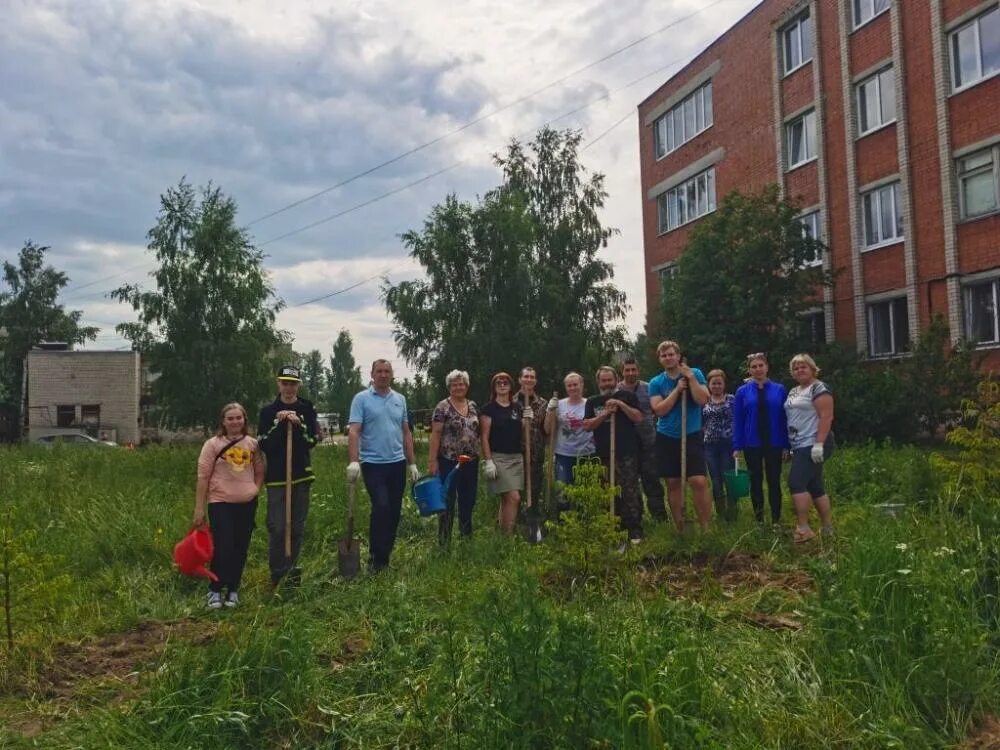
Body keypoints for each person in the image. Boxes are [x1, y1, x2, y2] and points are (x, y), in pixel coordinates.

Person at [347, 360, 419, 571]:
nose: (383, 375)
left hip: (397, 463)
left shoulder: (400, 399)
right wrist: (354, 460)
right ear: (372, 374)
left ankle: (384, 556)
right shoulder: (362, 399)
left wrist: (412, 464)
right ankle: (376, 561)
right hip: (372, 463)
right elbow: (354, 431)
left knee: (394, 511)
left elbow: (406, 432)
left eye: (387, 371)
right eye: (379, 371)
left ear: (392, 375)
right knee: (381, 507)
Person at [193, 402, 264, 609]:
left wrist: (255, 489)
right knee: (223, 547)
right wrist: (199, 508)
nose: (235, 422)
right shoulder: (212, 445)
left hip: (247, 504)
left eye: (238, 418)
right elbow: (202, 477)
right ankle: (215, 589)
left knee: (240, 547)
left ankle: (233, 589)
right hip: (220, 503)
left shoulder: (253, 444)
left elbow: (260, 470)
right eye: (230, 418)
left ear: (244, 420)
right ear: (223, 421)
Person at [257, 366, 320, 589]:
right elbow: (263, 443)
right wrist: (279, 423)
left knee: (296, 527)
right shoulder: (267, 411)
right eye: (285, 383)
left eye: (293, 383)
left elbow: (312, 440)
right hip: (277, 477)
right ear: (278, 384)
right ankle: (277, 573)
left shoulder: (306, 408)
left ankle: (292, 571)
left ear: (298, 385)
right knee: (278, 527)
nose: (289, 387)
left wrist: (298, 424)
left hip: (300, 476)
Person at [648, 341, 712, 531]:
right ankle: (681, 527)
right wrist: (677, 390)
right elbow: (659, 410)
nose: (668, 358)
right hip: (667, 436)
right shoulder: (656, 382)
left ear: (678, 355)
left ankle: (706, 527)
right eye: (664, 356)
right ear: (660, 359)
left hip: (691, 434)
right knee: (673, 482)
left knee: (698, 481)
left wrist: (691, 379)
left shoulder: (695, 373)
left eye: (671, 354)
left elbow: (702, 400)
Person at [583, 365, 644, 544]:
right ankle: (613, 528)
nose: (607, 384)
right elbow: (587, 425)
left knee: (629, 490)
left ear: (616, 380)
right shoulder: (593, 402)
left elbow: (638, 417)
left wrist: (619, 404)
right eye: (603, 381)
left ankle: (634, 529)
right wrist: (605, 414)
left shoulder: (628, 396)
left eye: (610, 380)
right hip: (603, 454)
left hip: (627, 452)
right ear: (598, 382)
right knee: (608, 490)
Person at [732, 353, 790, 526]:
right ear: (749, 370)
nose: (758, 369)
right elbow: (738, 420)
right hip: (752, 442)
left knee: (774, 481)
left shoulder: (779, 389)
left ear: (767, 367)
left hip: (774, 441)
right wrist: (737, 445)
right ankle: (759, 519)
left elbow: (785, 418)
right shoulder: (742, 392)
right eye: (754, 367)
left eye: (760, 366)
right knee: (755, 481)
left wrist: (787, 445)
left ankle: (776, 519)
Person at [784, 353, 835, 543]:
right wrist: (790, 447)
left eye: (803, 367)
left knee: (796, 483)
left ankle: (804, 528)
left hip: (813, 442)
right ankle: (827, 527)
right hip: (799, 444)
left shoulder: (819, 388)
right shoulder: (794, 391)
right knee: (815, 485)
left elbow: (826, 417)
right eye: (796, 368)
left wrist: (819, 444)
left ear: (812, 368)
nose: (799, 370)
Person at [428, 370, 480, 543]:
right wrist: (432, 460)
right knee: (447, 502)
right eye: (455, 384)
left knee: (468, 501)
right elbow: (435, 434)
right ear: (449, 387)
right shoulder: (442, 407)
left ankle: (466, 538)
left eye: (462, 384)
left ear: (467, 386)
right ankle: (444, 542)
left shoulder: (473, 405)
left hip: (471, 462)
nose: (459, 387)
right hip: (449, 462)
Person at [620, 356, 668, 522]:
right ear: (622, 371)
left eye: (634, 369)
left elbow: (658, 410)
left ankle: (660, 517)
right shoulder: (617, 390)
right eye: (627, 370)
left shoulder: (649, 388)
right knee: (630, 483)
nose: (631, 372)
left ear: (638, 370)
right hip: (627, 445)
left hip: (649, 442)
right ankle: (636, 519)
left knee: (652, 481)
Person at [480, 372, 527, 534]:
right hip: (498, 458)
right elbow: (484, 437)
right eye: (498, 383)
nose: (502, 385)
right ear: (494, 387)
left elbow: (522, 432)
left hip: (516, 458)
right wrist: (488, 461)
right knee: (514, 497)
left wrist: (528, 420)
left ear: (510, 386)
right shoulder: (488, 409)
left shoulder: (518, 407)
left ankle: (501, 531)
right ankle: (508, 536)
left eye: (505, 382)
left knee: (506, 498)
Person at [545, 371, 595, 506]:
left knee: (585, 491)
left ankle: (582, 521)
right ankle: (563, 521)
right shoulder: (559, 405)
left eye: (575, 385)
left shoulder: (590, 404)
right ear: (566, 387)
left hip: (587, 453)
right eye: (569, 385)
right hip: (564, 454)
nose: (573, 388)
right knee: (562, 491)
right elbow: (547, 429)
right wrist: (550, 411)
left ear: (582, 385)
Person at [515, 366, 549, 540]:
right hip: (515, 455)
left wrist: (552, 413)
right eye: (525, 376)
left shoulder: (542, 403)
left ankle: (533, 525)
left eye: (532, 377)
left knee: (534, 491)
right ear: (520, 379)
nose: (529, 379)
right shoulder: (511, 402)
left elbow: (547, 430)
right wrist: (521, 421)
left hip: (536, 454)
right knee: (515, 493)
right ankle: (514, 524)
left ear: (535, 381)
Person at [702, 370, 737, 524]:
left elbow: (738, 420)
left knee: (728, 478)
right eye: (713, 383)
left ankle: (733, 512)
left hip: (727, 444)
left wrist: (738, 445)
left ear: (724, 384)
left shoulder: (732, 399)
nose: (716, 386)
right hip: (710, 445)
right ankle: (720, 514)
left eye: (719, 383)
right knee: (715, 481)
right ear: (709, 385)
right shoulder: (704, 400)